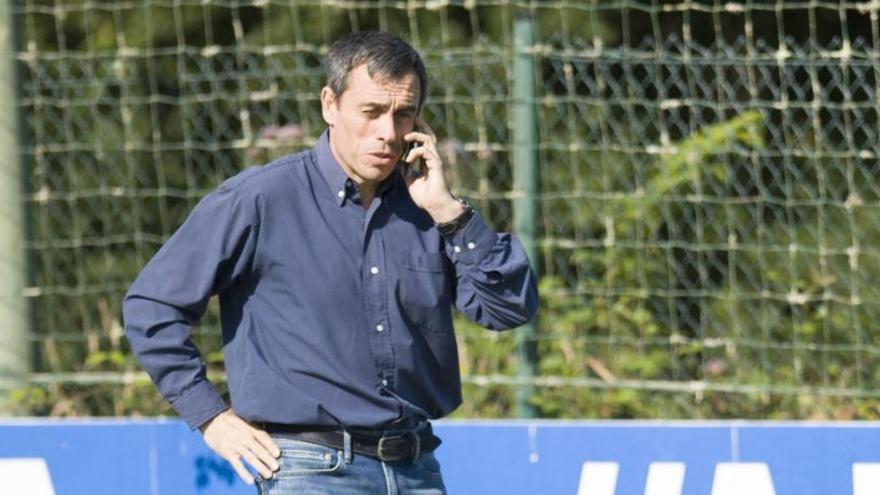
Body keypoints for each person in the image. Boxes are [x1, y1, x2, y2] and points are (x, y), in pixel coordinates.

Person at [123, 30, 538, 494]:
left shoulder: (430, 207)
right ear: (329, 105)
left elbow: (508, 309)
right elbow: (151, 305)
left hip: (417, 465)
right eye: (371, 111)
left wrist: (450, 213)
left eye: (404, 114)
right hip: (309, 468)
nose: (388, 131)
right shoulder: (261, 198)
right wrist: (211, 416)